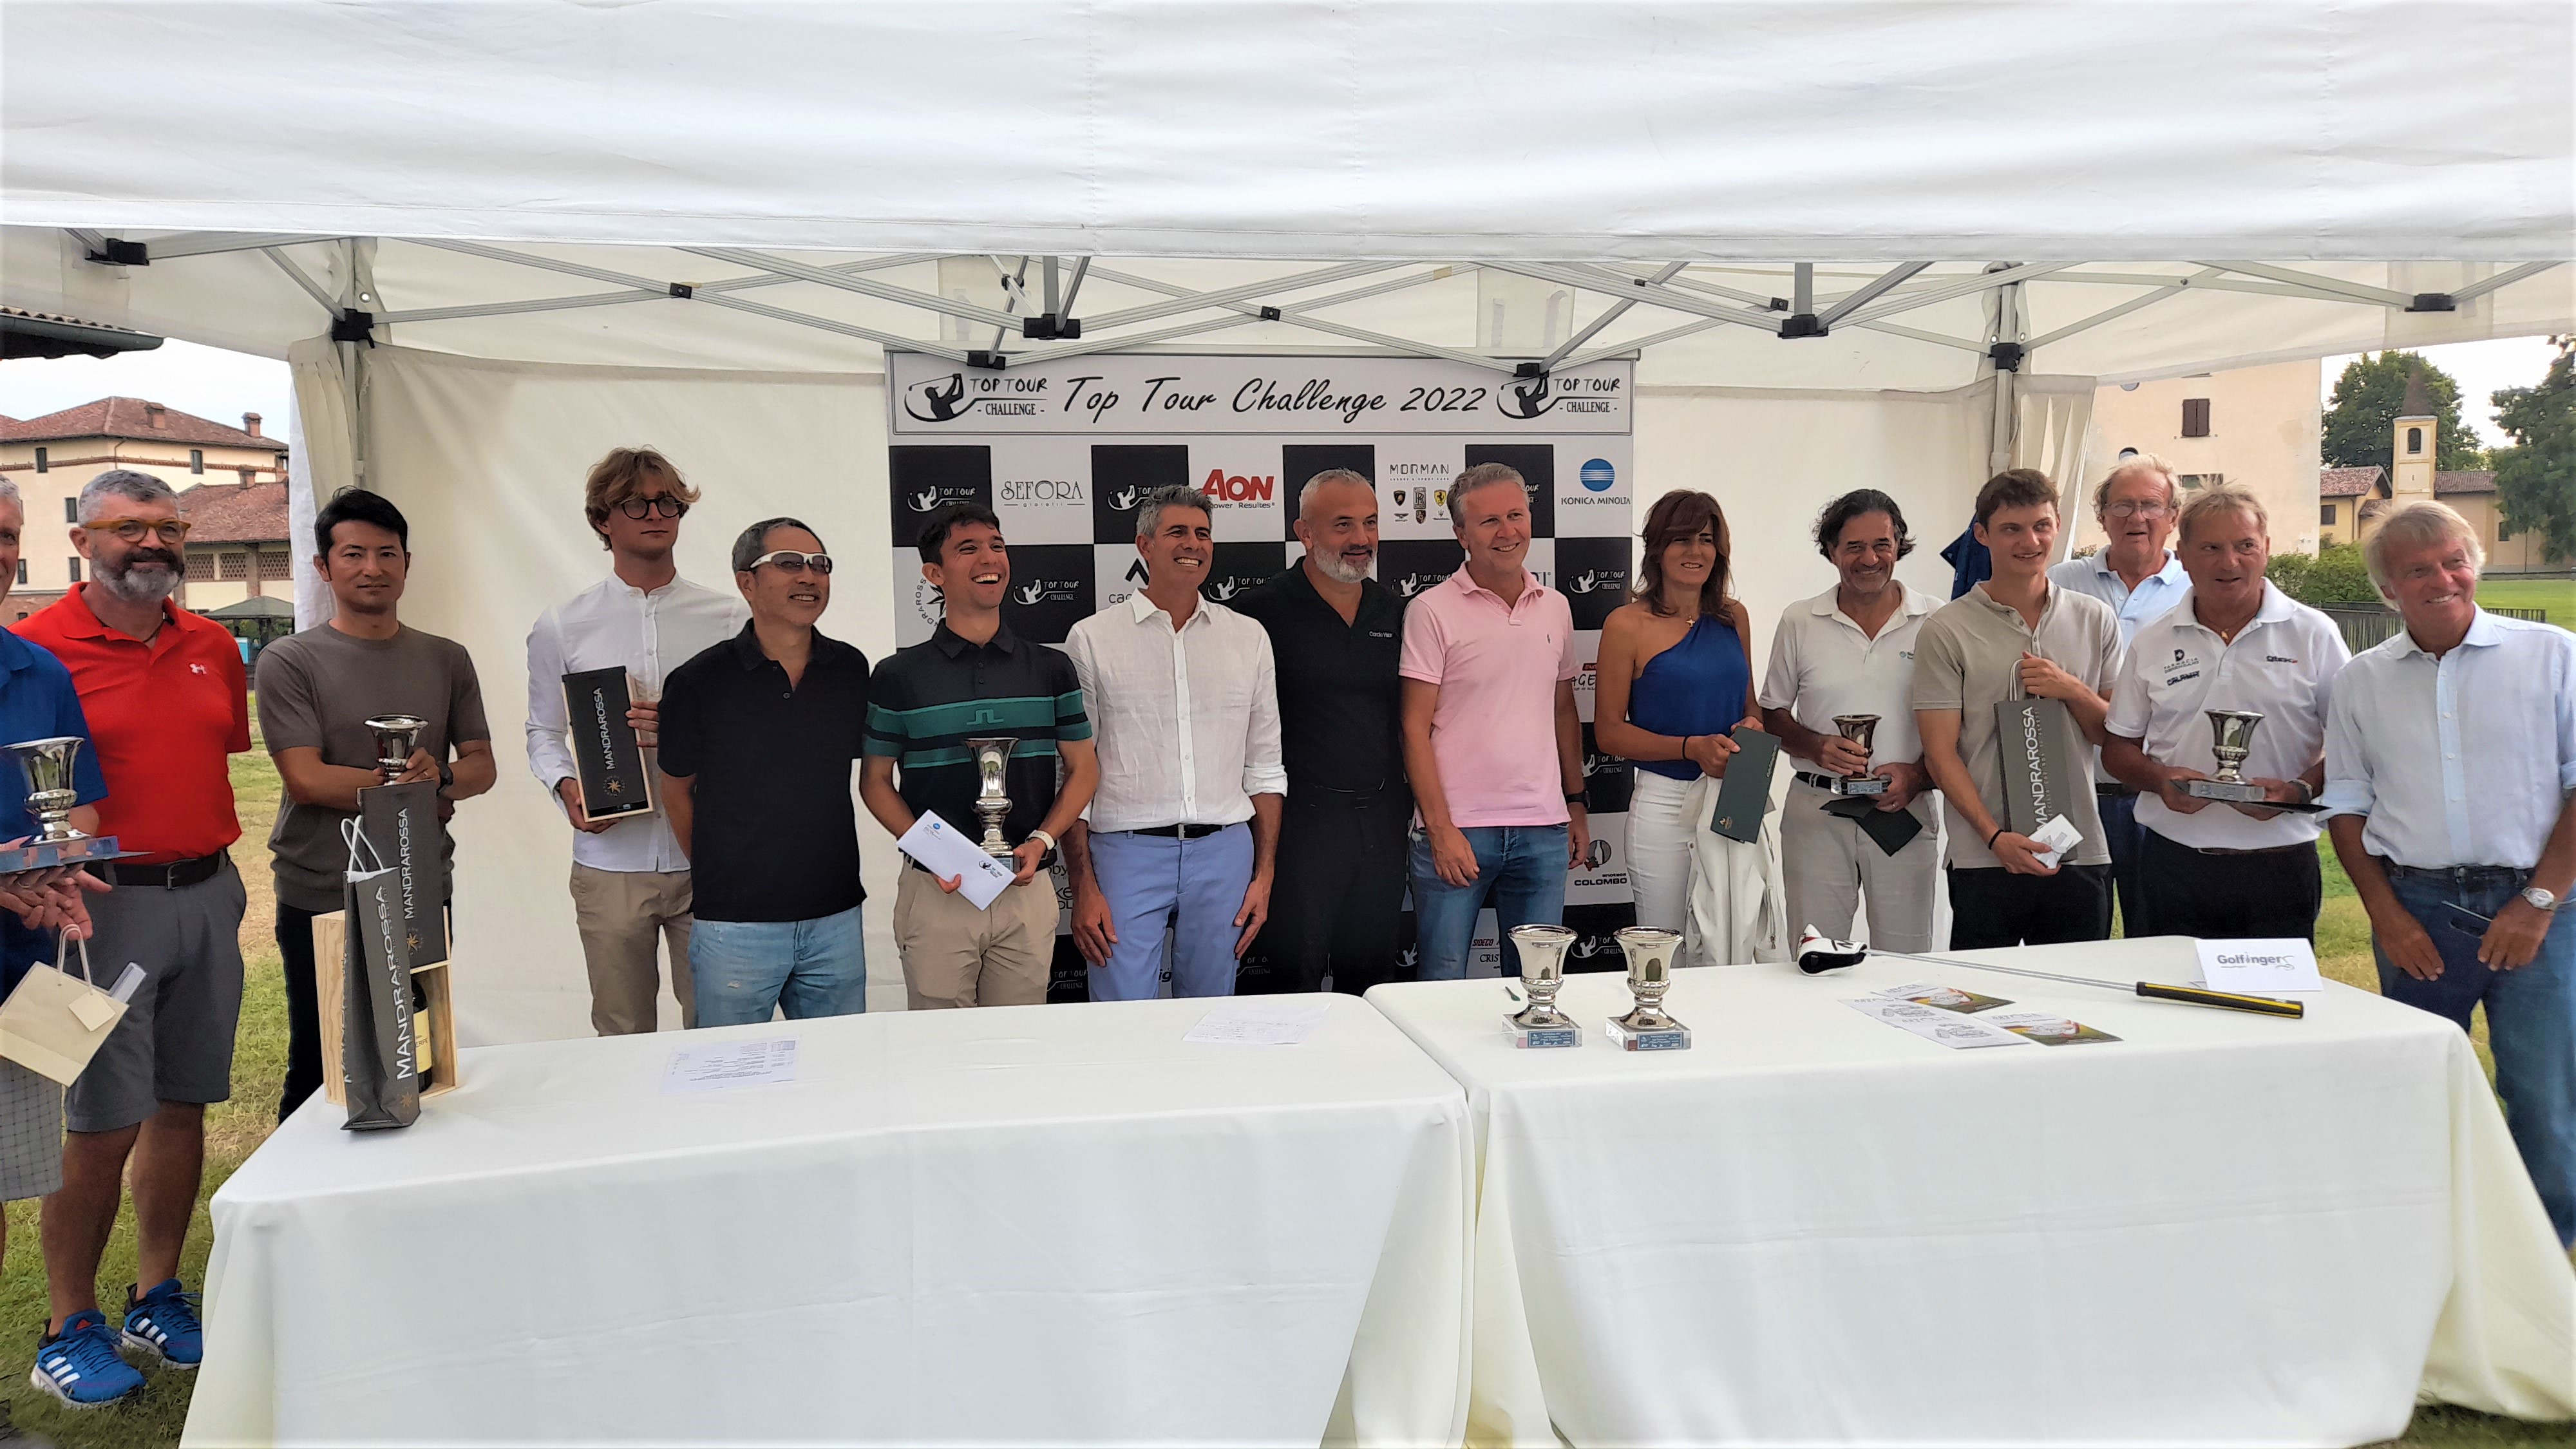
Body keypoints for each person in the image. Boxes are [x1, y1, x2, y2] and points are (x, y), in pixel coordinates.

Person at [14, 471, 249, 1396]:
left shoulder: (214, 644)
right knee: (102, 1121)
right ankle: (68, 1325)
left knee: (183, 1105)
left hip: (210, 892)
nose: (152, 543)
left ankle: (157, 1294)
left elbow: (212, 755)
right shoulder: (39, 649)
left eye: (168, 526)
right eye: (127, 527)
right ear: (83, 542)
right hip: (98, 911)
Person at [2322, 501, 2576, 1246]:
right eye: (2417, 570)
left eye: (2453, 561)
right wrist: (2386, 915)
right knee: (2416, 1090)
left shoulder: (2553, 656)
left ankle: (2541, 1254)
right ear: (2388, 590)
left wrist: (2538, 901)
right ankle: (2428, 1244)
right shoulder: (2361, 681)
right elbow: (2345, 805)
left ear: (2475, 565)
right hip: (2418, 907)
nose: (2442, 580)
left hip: (2540, 907)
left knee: (2544, 1096)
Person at [257, 489, 495, 1120]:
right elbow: (307, 780)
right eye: (353, 553)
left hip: (420, 885)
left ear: (407, 564)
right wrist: (410, 788)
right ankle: (305, 1177)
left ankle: (412, 1171)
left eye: (387, 554)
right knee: (323, 1065)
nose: (372, 568)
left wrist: (441, 773)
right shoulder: (290, 660)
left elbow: (481, 767)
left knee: (419, 1057)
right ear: (323, 566)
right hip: (324, 889)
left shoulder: (446, 658)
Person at [524, 448, 744, 1035]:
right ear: (603, 519)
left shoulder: (729, 619)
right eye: (636, 503)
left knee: (721, 1030)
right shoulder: (563, 624)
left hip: (711, 856)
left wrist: (689, 728)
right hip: (610, 862)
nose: (655, 514)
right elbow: (543, 730)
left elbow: (758, 731)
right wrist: (565, 786)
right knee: (622, 1033)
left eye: (668, 502)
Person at [861, 504, 1098, 1009]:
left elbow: (1084, 769)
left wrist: (1042, 840)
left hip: (1025, 884)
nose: (989, 558)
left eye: (996, 545)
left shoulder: (1052, 668)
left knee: (1016, 1043)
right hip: (938, 891)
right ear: (934, 573)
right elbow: (875, 782)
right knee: (940, 1045)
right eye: (967, 549)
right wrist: (934, 853)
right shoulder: (897, 675)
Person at [1063, 486, 1283, 1001]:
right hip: (1125, 853)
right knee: (1121, 1016)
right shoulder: (1091, 638)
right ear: (1144, 545)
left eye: (1203, 533)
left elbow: (1265, 766)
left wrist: (1264, 875)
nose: (1193, 544)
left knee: (1211, 1018)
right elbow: (1074, 772)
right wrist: (1083, 885)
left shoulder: (1249, 637)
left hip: (1226, 853)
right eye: (1177, 532)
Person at [0, 478, 121, 1414]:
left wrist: (53, 866)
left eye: (6, 534)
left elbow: (71, 808)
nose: (0, 553)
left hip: (14, 971)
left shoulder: (36, 669)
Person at [2103, 486, 2348, 940]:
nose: (2229, 562)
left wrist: (2298, 791)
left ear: (2266, 549)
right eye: (2211, 548)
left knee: (2274, 988)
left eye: (2245, 546)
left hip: (2281, 865)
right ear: (2183, 556)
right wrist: (2158, 779)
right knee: (2171, 985)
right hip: (2173, 860)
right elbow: (2117, 749)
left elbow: (2356, 746)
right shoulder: (2153, 640)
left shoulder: (2314, 634)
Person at [658, 519, 871, 1025]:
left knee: (840, 1065)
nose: (809, 576)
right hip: (735, 926)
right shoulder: (698, 681)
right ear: (746, 582)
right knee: (731, 1069)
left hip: (835, 918)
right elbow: (676, 791)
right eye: (789, 564)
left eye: (820, 565)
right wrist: (724, 871)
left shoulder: (850, 669)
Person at [1912, 469, 2122, 949]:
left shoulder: (2095, 618)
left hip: (2078, 849)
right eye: (2012, 529)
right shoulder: (1947, 629)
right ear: (1982, 534)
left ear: (2058, 526)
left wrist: (2071, 689)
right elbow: (1940, 754)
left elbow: (2112, 737)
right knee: (1983, 993)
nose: (2030, 542)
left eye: (2041, 526)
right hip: (1986, 855)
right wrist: (1993, 838)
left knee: (2075, 992)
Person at [1400, 462, 1588, 980]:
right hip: (1458, 829)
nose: (1508, 532)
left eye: (1516, 515)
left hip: (1544, 830)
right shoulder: (1430, 610)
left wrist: (1575, 803)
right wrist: (1440, 828)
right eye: (1489, 522)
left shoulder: (1556, 607)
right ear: (1461, 534)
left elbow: (1563, 710)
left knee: (1537, 990)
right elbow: (1414, 727)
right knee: (1440, 988)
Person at [1233, 470, 1410, 994]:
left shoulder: (1398, 611)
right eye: (1343, 525)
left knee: (1373, 983)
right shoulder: (1257, 615)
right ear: (1304, 533)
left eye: (1371, 523)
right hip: (1299, 828)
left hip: (1382, 823)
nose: (1362, 538)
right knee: (1293, 982)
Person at [1759, 488, 1940, 953]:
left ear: (1899, 546)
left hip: (1903, 811)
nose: (1870, 559)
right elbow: (1772, 714)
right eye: (1854, 547)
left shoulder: (1936, 620)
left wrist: (1918, 776)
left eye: (1881, 544)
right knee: (1816, 957)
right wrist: (1816, 746)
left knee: (1905, 962)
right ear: (1831, 551)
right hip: (1818, 809)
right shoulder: (1800, 620)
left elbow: (1960, 725)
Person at [1595, 490, 1771, 960]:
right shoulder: (1626, 624)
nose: (1696, 552)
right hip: (1664, 807)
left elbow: (1750, 705)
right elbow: (1609, 733)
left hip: (1735, 798)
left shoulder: (1734, 617)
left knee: (1736, 949)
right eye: (1682, 539)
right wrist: (1690, 747)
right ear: (1657, 548)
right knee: (1662, 956)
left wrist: (1752, 727)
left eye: (1706, 540)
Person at [2049, 454, 2190, 934]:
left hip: (2157, 795)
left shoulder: (2196, 591)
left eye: (2151, 505)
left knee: (2157, 935)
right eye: (2123, 505)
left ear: (2173, 517)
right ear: (2102, 515)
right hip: (2074, 792)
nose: (2137, 518)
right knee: (2073, 938)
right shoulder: (2059, 583)